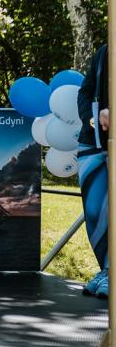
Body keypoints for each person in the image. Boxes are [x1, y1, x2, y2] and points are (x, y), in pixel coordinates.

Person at [78, 44, 110, 298]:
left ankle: (112, 272)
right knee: (93, 210)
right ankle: (105, 269)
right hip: (92, 142)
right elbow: (85, 92)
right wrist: (94, 117)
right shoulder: (103, 50)